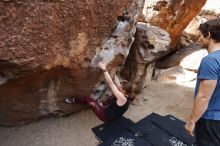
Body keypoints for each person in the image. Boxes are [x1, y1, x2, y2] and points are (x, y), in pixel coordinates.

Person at [185, 18, 220, 145]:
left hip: (210, 119)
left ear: (209, 34)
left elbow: (204, 96)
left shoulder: (210, 61)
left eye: (200, 34)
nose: (199, 38)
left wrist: (192, 121)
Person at [65, 61, 135, 122]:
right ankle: (103, 105)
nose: (119, 85)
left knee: (89, 101)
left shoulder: (122, 97)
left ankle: (74, 100)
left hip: (106, 117)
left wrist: (104, 69)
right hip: (113, 113)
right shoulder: (126, 94)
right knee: (113, 96)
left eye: (120, 86)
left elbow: (111, 83)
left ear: (124, 90)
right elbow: (117, 83)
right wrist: (113, 70)